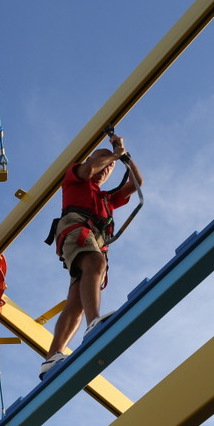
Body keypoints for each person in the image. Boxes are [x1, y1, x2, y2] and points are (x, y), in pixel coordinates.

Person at [40, 133, 143, 378]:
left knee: (76, 299)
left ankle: (52, 356)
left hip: (94, 237)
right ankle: (94, 322)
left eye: (110, 168)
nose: (107, 168)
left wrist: (125, 156)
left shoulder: (106, 198)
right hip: (76, 227)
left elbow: (137, 182)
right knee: (94, 262)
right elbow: (87, 170)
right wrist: (112, 155)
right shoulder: (75, 177)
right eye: (104, 162)